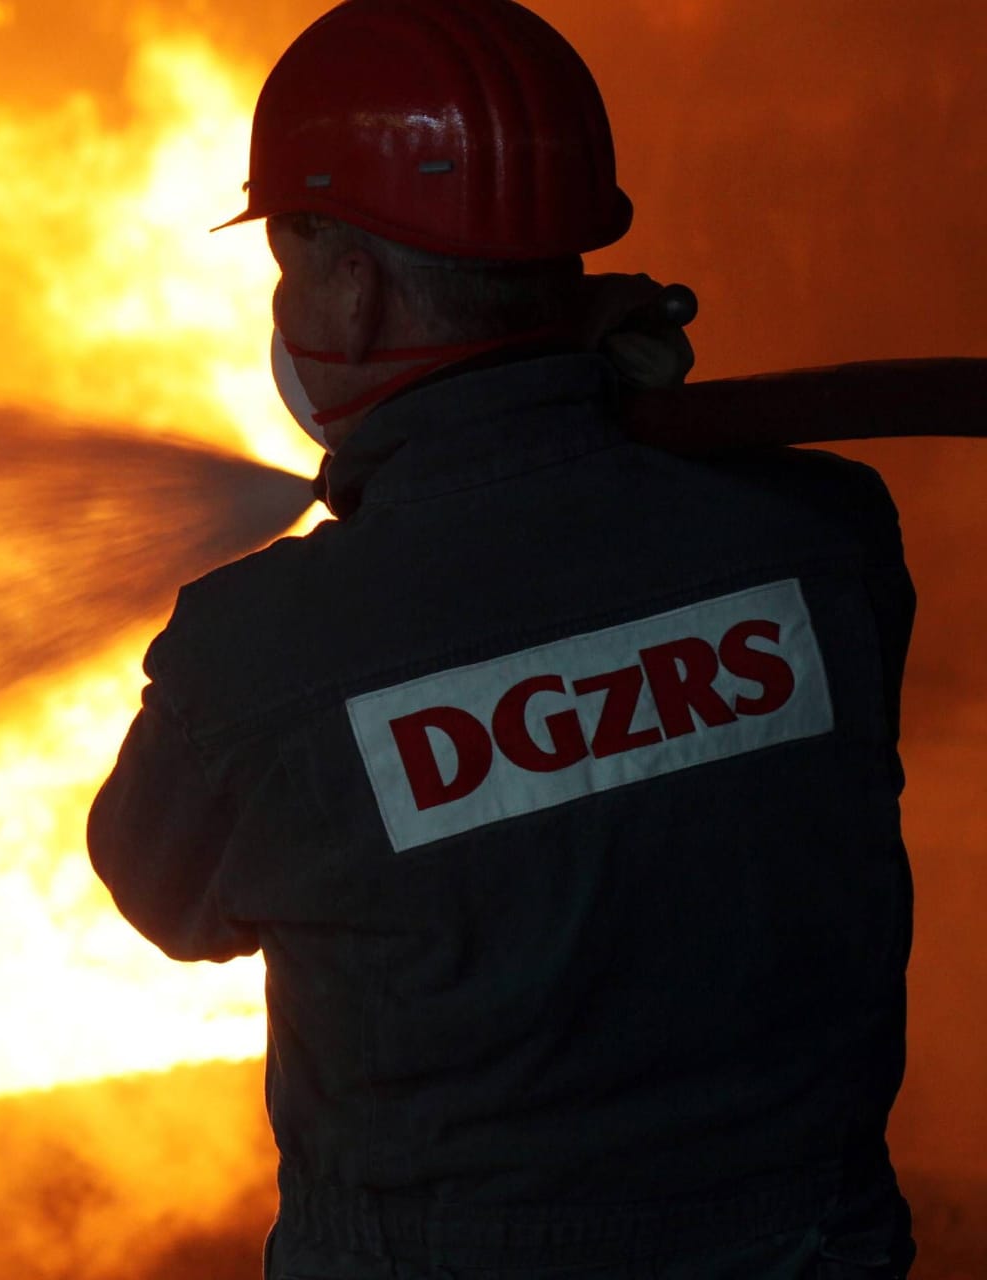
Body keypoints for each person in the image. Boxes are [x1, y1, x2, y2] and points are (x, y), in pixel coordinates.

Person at [84, 1, 920, 1276]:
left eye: (294, 258)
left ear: (353, 292)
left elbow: (166, 891)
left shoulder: (259, 660)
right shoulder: (826, 534)